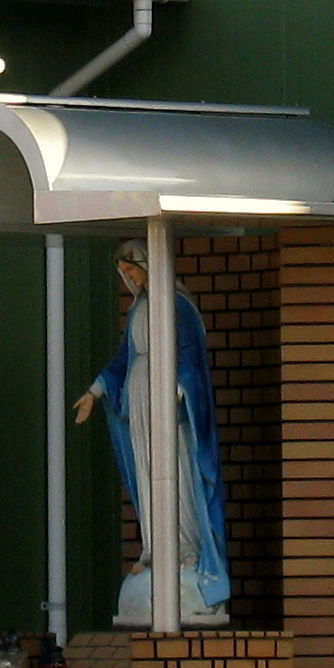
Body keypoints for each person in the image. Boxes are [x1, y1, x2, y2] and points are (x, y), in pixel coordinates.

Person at [72, 244, 231, 626]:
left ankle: (187, 548)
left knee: (176, 471)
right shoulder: (138, 309)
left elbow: (191, 356)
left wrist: (178, 390)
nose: (130, 277)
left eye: (133, 269)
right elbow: (124, 358)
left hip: (169, 401)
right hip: (140, 400)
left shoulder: (177, 306)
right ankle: (155, 549)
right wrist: (95, 391)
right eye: (124, 271)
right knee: (147, 475)